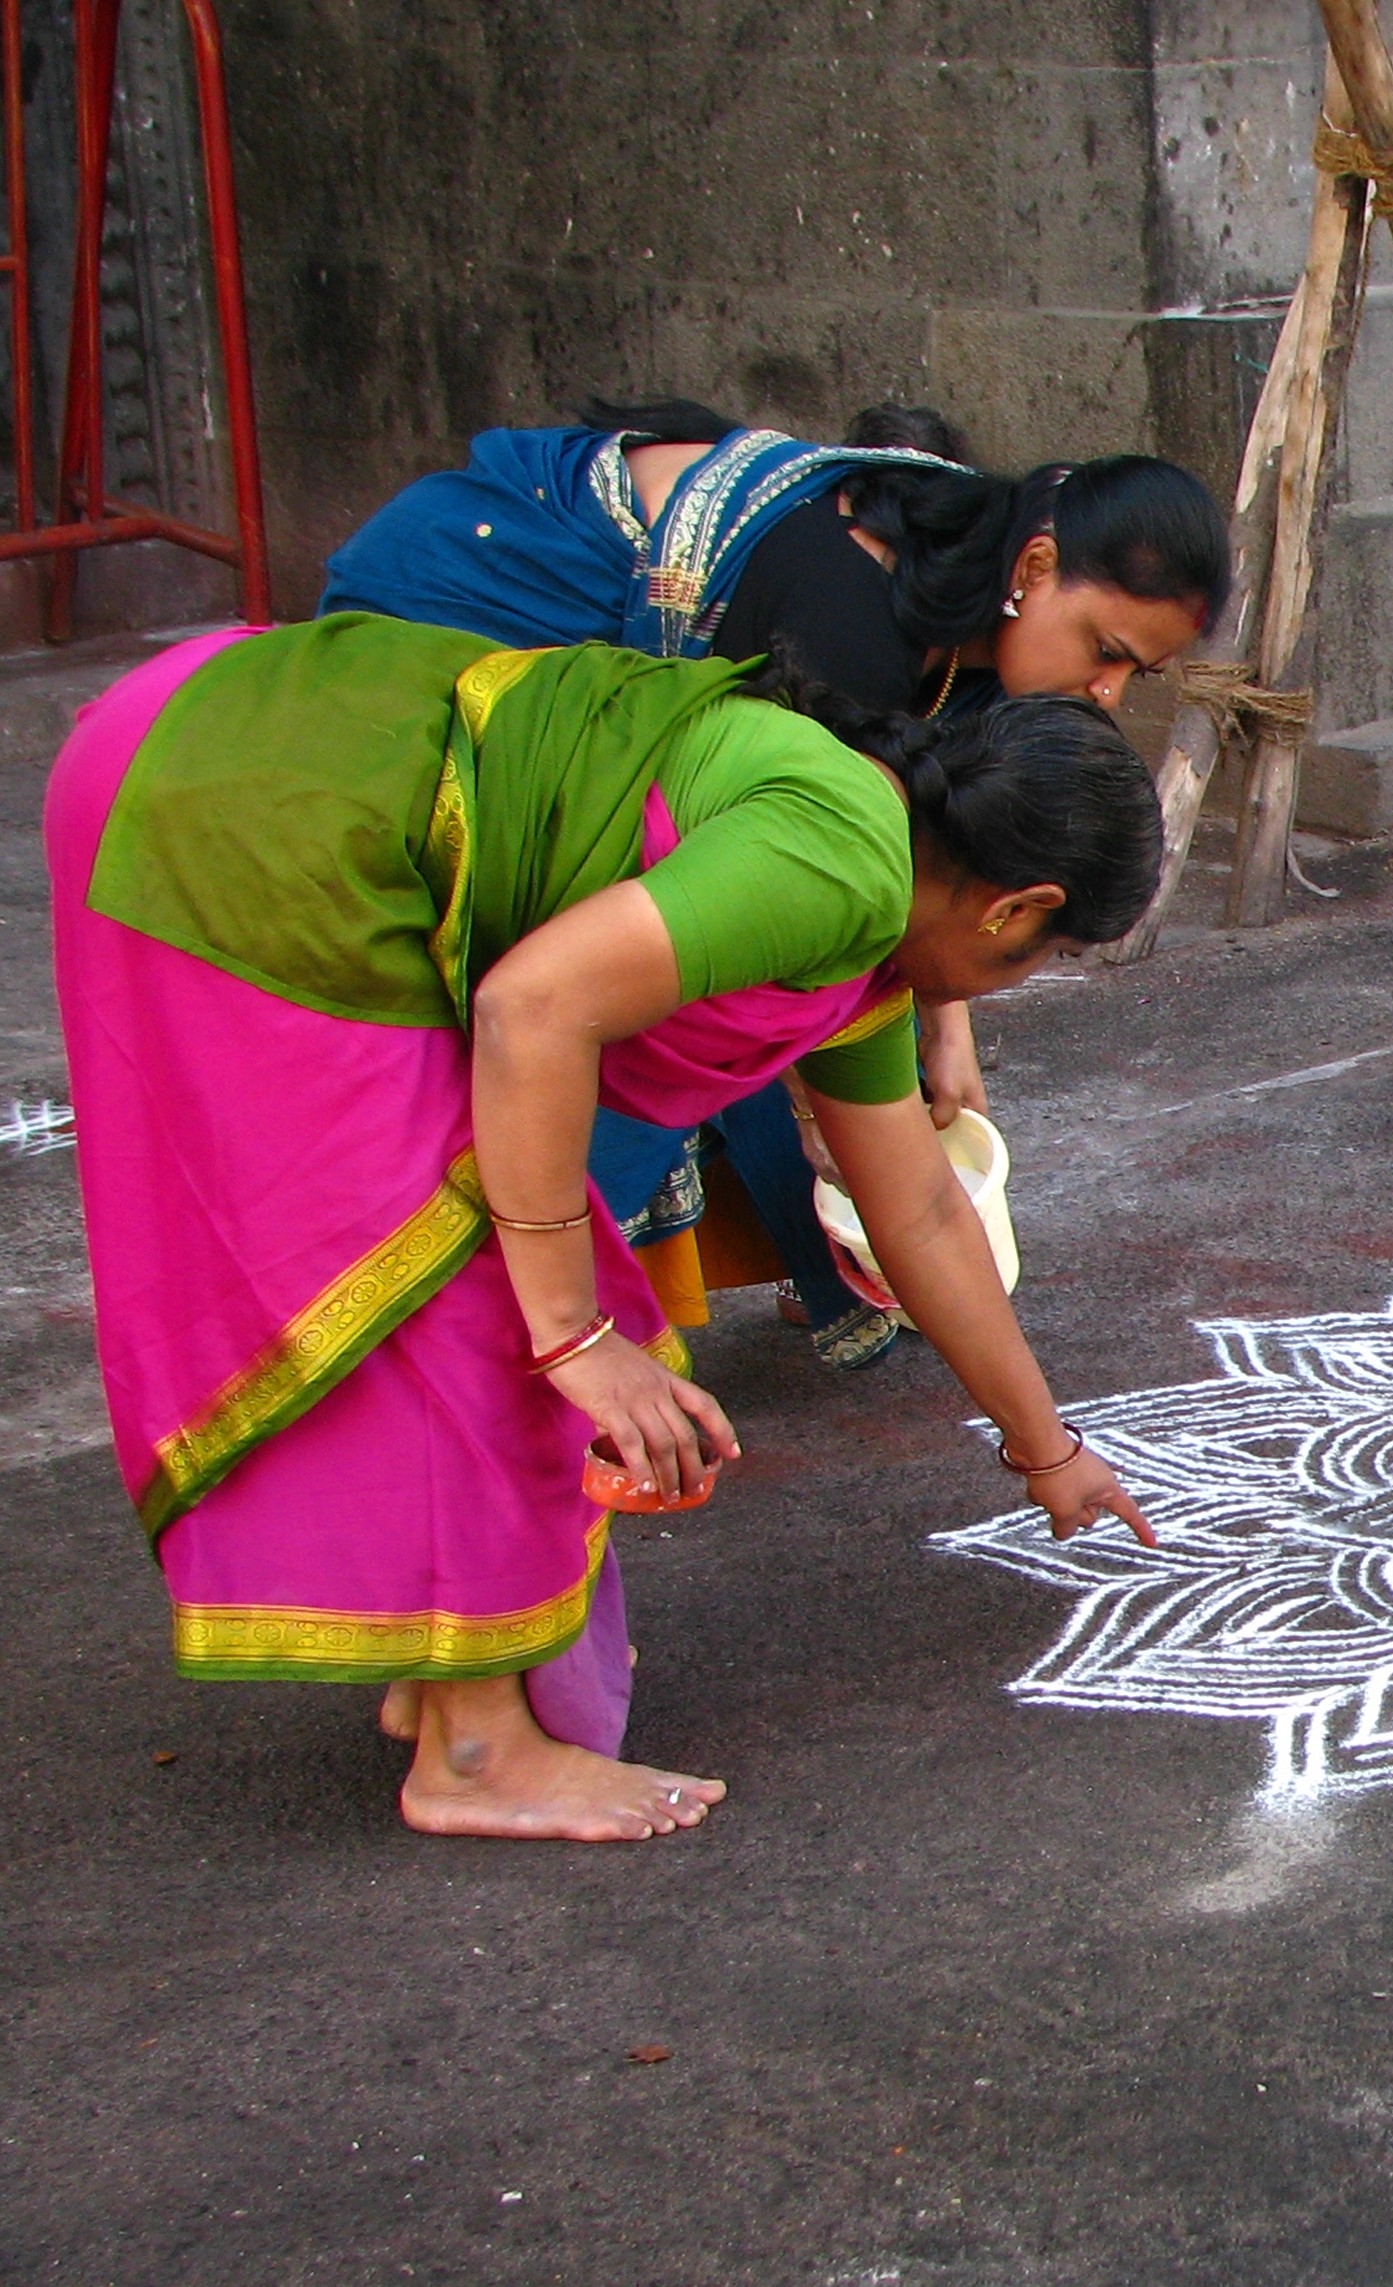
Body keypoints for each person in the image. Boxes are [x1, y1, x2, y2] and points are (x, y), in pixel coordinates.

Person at [49, 611, 1159, 1841]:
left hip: (242, 748)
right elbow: (533, 1010)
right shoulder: (840, 862)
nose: (986, 997)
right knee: (490, 1297)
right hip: (252, 798)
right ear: (1017, 908)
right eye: (1030, 962)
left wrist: (1047, 1450)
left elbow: (921, 1209)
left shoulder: (866, 916)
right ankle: (476, 1748)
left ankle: (444, 1667)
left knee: (490, 1269)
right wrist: (573, 1337)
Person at [323, 402, 1227, 1369]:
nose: (1107, 695)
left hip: (668, 773)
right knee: (651, 1004)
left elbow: (932, 881)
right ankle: (494, 1325)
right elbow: (812, 939)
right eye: (1105, 652)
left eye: (1140, 673)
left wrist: (946, 1026)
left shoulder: (977, 639)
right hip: (461, 620)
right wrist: (830, 1114)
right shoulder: (847, 629)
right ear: (1036, 568)